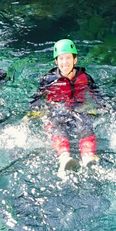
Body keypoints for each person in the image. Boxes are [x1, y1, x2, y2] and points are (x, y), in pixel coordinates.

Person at [31, 38, 105, 178]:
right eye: (61, 59)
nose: (65, 62)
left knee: (86, 125)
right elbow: (37, 99)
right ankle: (64, 157)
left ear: (75, 60)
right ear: (56, 61)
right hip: (57, 109)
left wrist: (104, 106)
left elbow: (97, 94)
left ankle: (88, 157)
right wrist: (35, 113)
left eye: (68, 58)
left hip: (78, 108)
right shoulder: (49, 79)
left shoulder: (85, 77)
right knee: (58, 125)